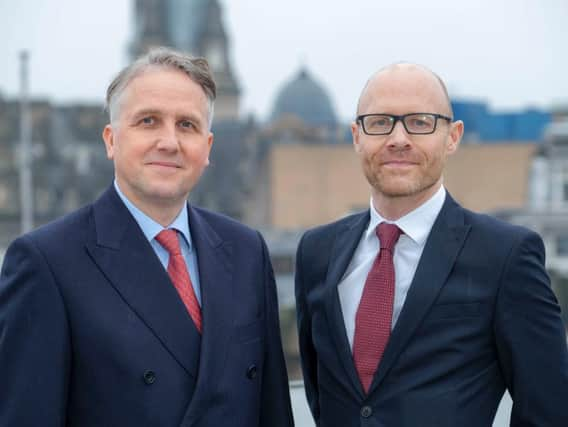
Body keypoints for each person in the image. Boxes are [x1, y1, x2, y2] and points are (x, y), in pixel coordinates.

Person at [0, 47, 293, 427]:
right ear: (111, 140)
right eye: (149, 121)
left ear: (206, 149)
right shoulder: (46, 263)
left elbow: (271, 412)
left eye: (186, 125)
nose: (169, 142)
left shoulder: (246, 251)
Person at [295, 63, 568, 426]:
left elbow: (550, 408)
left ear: (453, 136)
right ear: (356, 136)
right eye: (379, 122)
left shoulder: (506, 257)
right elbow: (322, 396)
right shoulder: (317, 252)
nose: (398, 138)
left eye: (420, 122)